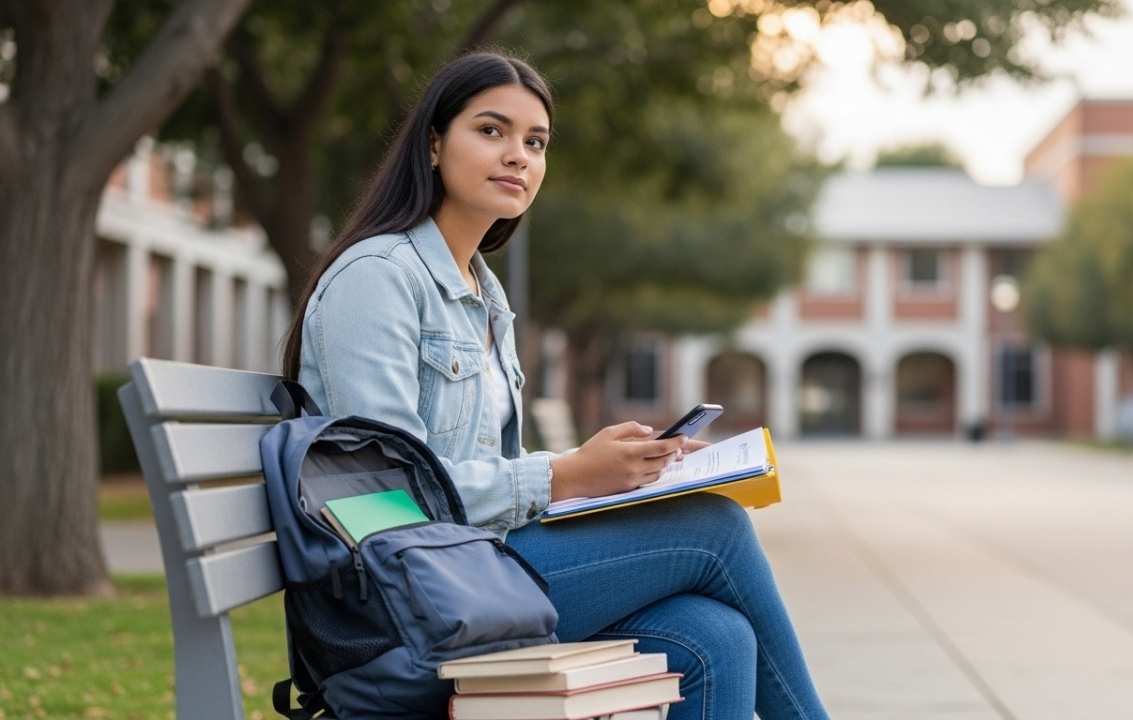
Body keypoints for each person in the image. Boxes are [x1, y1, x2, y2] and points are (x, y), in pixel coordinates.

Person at [281, 50, 829, 720]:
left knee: (714, 637)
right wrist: (562, 476)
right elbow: (389, 500)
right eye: (491, 131)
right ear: (432, 144)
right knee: (711, 526)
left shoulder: (482, 293)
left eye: (535, 142)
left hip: (468, 577)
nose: (518, 155)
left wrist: (612, 476)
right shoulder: (378, 277)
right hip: (401, 608)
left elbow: (480, 474)